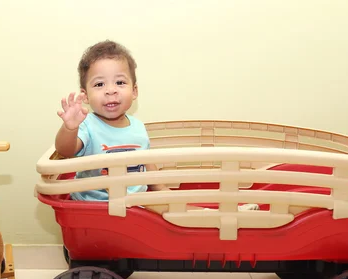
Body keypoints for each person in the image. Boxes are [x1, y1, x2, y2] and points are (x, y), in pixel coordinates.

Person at [54, 40, 258, 211]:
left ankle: (222, 213)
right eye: (99, 84)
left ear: (134, 91)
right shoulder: (87, 124)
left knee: (174, 207)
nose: (110, 91)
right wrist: (70, 128)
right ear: (85, 95)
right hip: (96, 206)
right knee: (169, 211)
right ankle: (213, 215)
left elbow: (146, 162)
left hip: (137, 204)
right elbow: (65, 151)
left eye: (120, 82)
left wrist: (161, 189)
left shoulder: (137, 127)